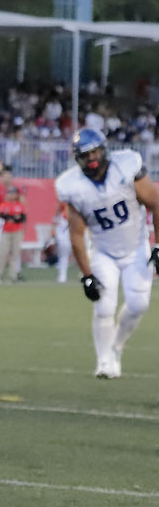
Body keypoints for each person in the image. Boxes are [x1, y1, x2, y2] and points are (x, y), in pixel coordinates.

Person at [55, 128, 159, 378]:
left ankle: (116, 347)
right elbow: (77, 234)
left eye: (94, 153)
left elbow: (155, 203)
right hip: (102, 252)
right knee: (104, 307)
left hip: (137, 247)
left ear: (104, 150)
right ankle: (104, 362)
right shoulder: (72, 186)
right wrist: (86, 274)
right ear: (77, 160)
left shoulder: (126, 166)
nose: (91, 160)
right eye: (85, 156)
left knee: (138, 304)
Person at [0, 185, 27, 285]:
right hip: (6, 232)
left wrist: (13, 218)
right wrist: (14, 217)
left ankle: (13, 277)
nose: (11, 195)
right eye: (9, 193)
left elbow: (22, 218)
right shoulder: (4, 204)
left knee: (15, 255)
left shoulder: (20, 205)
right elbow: (3, 215)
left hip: (17, 232)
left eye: (13, 193)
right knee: (2, 254)